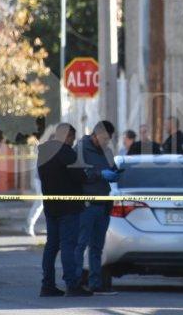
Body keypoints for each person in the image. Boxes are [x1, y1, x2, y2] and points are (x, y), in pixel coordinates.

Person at [37, 123, 92, 297]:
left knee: (51, 246)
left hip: (51, 206)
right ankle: (72, 284)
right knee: (69, 246)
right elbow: (80, 177)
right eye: (72, 138)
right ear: (67, 136)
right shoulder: (67, 153)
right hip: (69, 207)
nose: (72, 142)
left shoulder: (43, 153)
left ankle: (47, 284)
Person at [74, 120, 119, 295]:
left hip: (103, 204)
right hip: (87, 205)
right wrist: (99, 174)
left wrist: (115, 174)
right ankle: (75, 282)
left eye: (109, 139)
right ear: (96, 135)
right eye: (105, 138)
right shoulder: (80, 149)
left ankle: (95, 283)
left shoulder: (107, 151)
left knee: (97, 248)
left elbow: (112, 168)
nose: (107, 142)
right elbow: (78, 174)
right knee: (80, 244)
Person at [25, 136, 43, 237]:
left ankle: (29, 225)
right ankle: (29, 225)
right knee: (40, 203)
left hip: (44, 180)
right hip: (40, 180)